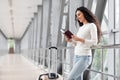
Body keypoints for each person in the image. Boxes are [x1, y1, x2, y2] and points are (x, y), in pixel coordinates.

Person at [65, 6, 102, 80]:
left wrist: (79, 39)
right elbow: (77, 44)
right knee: (78, 78)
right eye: (76, 15)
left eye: (79, 14)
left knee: (70, 78)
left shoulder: (92, 26)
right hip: (76, 56)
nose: (77, 17)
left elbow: (94, 42)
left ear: (84, 14)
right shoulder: (81, 28)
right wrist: (71, 41)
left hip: (85, 57)